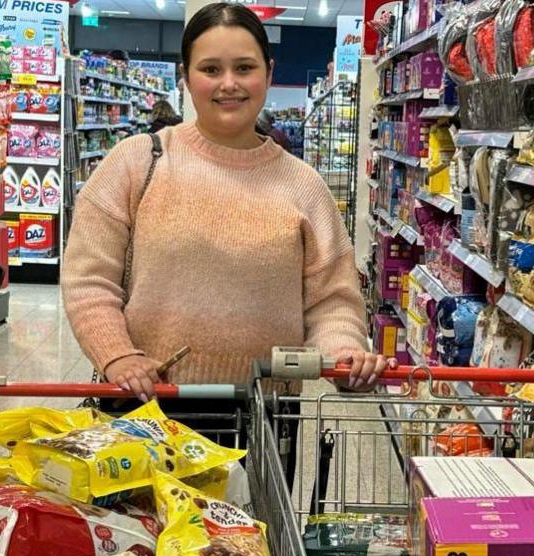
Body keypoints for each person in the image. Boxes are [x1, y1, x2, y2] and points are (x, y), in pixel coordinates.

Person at [62, 3, 390, 453]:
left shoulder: (303, 185)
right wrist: (117, 353)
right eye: (211, 68)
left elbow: (331, 300)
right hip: (147, 404)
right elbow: (88, 279)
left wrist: (345, 355)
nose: (229, 84)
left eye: (244, 68)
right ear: (186, 76)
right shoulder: (137, 161)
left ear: (268, 74)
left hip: (265, 415)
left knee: (253, 526)